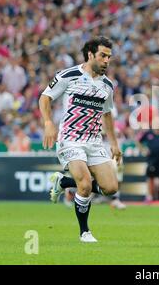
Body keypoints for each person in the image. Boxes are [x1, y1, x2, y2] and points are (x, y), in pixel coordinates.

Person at [39, 36, 122, 243]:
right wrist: (48, 122)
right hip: (70, 139)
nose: (106, 61)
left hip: (94, 141)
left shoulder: (107, 85)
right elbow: (45, 97)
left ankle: (64, 181)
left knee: (111, 188)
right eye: (103, 56)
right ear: (90, 54)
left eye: (109, 57)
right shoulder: (69, 75)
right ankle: (84, 232)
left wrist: (113, 143)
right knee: (84, 184)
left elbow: (107, 113)